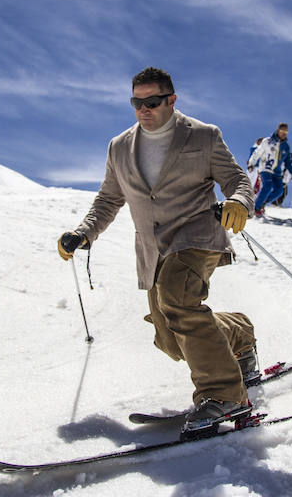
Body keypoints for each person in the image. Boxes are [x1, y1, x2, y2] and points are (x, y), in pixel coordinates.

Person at [57, 67, 258, 436]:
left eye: (152, 102)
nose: (143, 109)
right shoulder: (120, 147)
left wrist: (239, 202)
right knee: (170, 337)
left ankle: (223, 394)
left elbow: (237, 179)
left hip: (197, 236)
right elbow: (108, 199)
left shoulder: (203, 136)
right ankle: (240, 337)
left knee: (177, 299)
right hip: (154, 249)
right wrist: (83, 233)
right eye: (137, 102)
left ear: (171, 100)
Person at [248, 123, 292, 216]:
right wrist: (251, 163)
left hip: (276, 172)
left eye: (286, 132)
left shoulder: (286, 147)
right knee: (267, 186)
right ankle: (255, 208)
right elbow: (257, 152)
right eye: (282, 131)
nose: (284, 134)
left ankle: (262, 203)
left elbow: (287, 162)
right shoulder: (267, 141)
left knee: (279, 190)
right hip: (265, 168)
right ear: (278, 130)